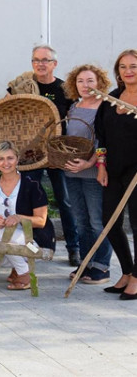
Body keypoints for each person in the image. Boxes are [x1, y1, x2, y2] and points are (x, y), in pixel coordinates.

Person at [15, 45, 80, 266]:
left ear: (54, 63)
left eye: (45, 60)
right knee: (28, 200)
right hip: (31, 153)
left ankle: (74, 248)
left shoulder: (65, 89)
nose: (40, 64)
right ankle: (29, 246)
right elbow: (10, 109)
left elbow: (74, 121)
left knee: (65, 201)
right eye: (36, 60)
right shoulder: (23, 86)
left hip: (57, 153)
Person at [0, 142, 55, 290]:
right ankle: (19, 264)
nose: (6, 163)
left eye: (10, 158)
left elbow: (41, 221)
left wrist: (19, 218)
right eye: (1, 159)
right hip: (5, 238)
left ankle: (24, 273)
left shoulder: (32, 184)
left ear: (17, 159)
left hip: (34, 243)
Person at [62, 64, 112, 284]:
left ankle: (101, 266)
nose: (85, 85)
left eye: (90, 80)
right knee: (81, 220)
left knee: (97, 221)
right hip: (72, 172)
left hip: (93, 173)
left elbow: (104, 141)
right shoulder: (74, 107)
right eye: (81, 81)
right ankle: (86, 263)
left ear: (99, 83)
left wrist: (89, 163)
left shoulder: (105, 107)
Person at [95, 49, 137, 300]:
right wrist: (101, 164)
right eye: (123, 67)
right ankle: (127, 271)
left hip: (136, 171)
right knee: (110, 222)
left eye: (133, 65)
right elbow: (102, 136)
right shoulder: (111, 99)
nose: (128, 71)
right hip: (112, 169)